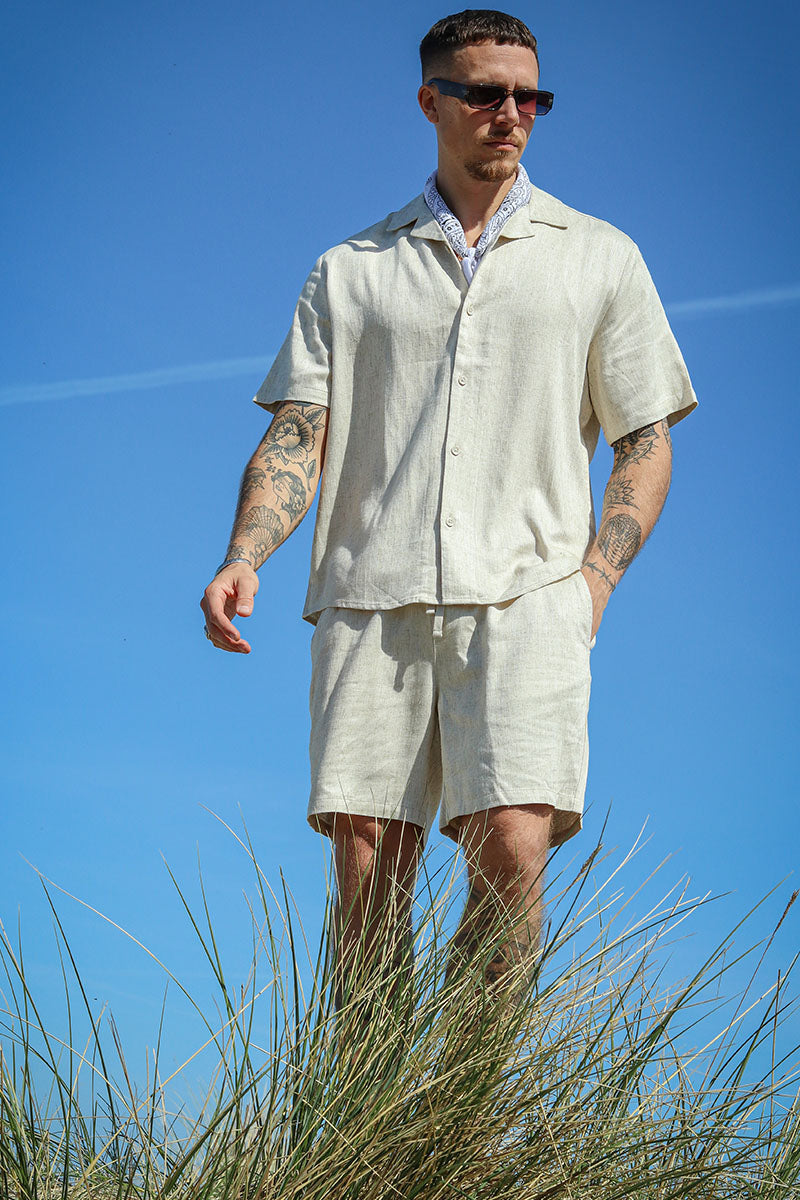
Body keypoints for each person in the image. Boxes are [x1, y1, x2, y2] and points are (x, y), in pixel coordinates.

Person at [200, 9, 697, 1010]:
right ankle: (366, 1095)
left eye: (529, 96)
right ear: (431, 102)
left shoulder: (600, 257)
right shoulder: (350, 268)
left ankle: (467, 1098)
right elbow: (300, 430)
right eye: (484, 93)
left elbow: (644, 442)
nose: (510, 113)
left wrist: (593, 585)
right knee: (367, 864)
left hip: (532, 595)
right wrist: (244, 553)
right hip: (369, 594)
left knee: (512, 848)